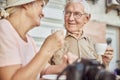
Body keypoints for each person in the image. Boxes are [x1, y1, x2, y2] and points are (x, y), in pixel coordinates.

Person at [0, 0, 69, 80]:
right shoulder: (3, 29)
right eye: (41, 6)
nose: (43, 14)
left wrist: (65, 68)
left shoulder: (29, 40)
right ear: (27, 4)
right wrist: (47, 49)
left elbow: (43, 69)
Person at [49, 0, 114, 69]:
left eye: (77, 14)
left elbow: (100, 74)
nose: (71, 18)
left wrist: (105, 64)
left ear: (87, 18)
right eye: (67, 13)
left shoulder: (93, 44)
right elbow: (40, 70)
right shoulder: (53, 40)